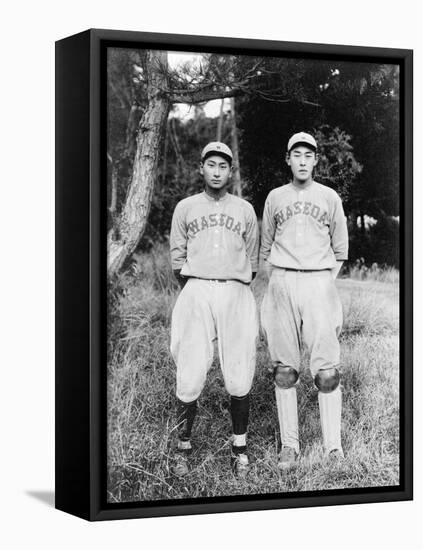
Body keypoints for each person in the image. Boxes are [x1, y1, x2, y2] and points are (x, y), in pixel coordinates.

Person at [169, 141, 259, 477]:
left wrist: (232, 281)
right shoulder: (186, 207)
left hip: (236, 292)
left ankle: (240, 450)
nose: (217, 171)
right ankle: (183, 448)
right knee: (190, 370)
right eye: (211, 165)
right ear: (201, 168)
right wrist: (197, 286)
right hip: (197, 290)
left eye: (223, 166)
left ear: (230, 171)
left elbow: (252, 261)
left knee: (239, 370)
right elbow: (177, 259)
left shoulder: (245, 209)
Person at [260, 131, 348, 470]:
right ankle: (290, 447)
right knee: (284, 369)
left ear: (315, 160)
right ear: (288, 159)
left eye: (308, 155)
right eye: (296, 154)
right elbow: (266, 247)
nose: (302, 160)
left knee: (326, 371)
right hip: (282, 282)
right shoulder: (275, 197)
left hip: (318, 283)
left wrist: (323, 282)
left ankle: (333, 448)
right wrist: (278, 281)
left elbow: (340, 249)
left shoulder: (329, 197)